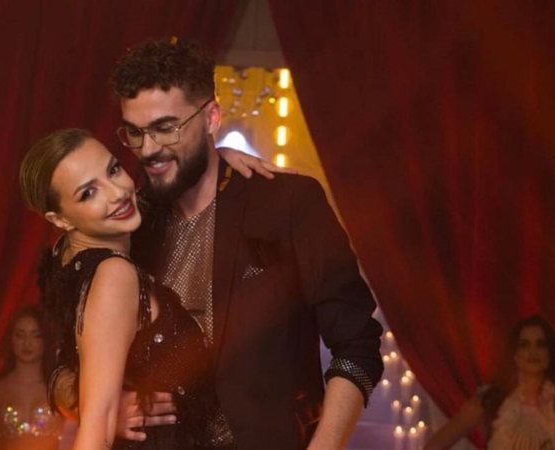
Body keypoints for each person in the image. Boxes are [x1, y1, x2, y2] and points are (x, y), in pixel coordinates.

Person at [109, 37, 383, 449]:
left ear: (211, 117)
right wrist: (104, 406)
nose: (148, 149)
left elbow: (357, 345)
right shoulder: (129, 223)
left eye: (166, 129)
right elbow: (66, 359)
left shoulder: (287, 203)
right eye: (135, 132)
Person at [19, 128, 276, 449]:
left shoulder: (68, 257)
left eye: (113, 170)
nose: (117, 192)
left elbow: (70, 363)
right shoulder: (114, 274)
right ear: (60, 220)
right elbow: (96, 425)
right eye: (88, 193)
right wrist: (97, 407)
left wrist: (215, 160)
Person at [424, 315, 555, 450]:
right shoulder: (492, 400)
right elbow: (434, 446)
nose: (533, 352)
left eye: (541, 344)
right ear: (515, 354)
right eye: (524, 344)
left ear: (550, 353)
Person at [0, 305, 66, 450]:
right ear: (11, 339)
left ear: (45, 340)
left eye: (36, 336)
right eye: (20, 335)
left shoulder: (59, 388)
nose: (27, 343)